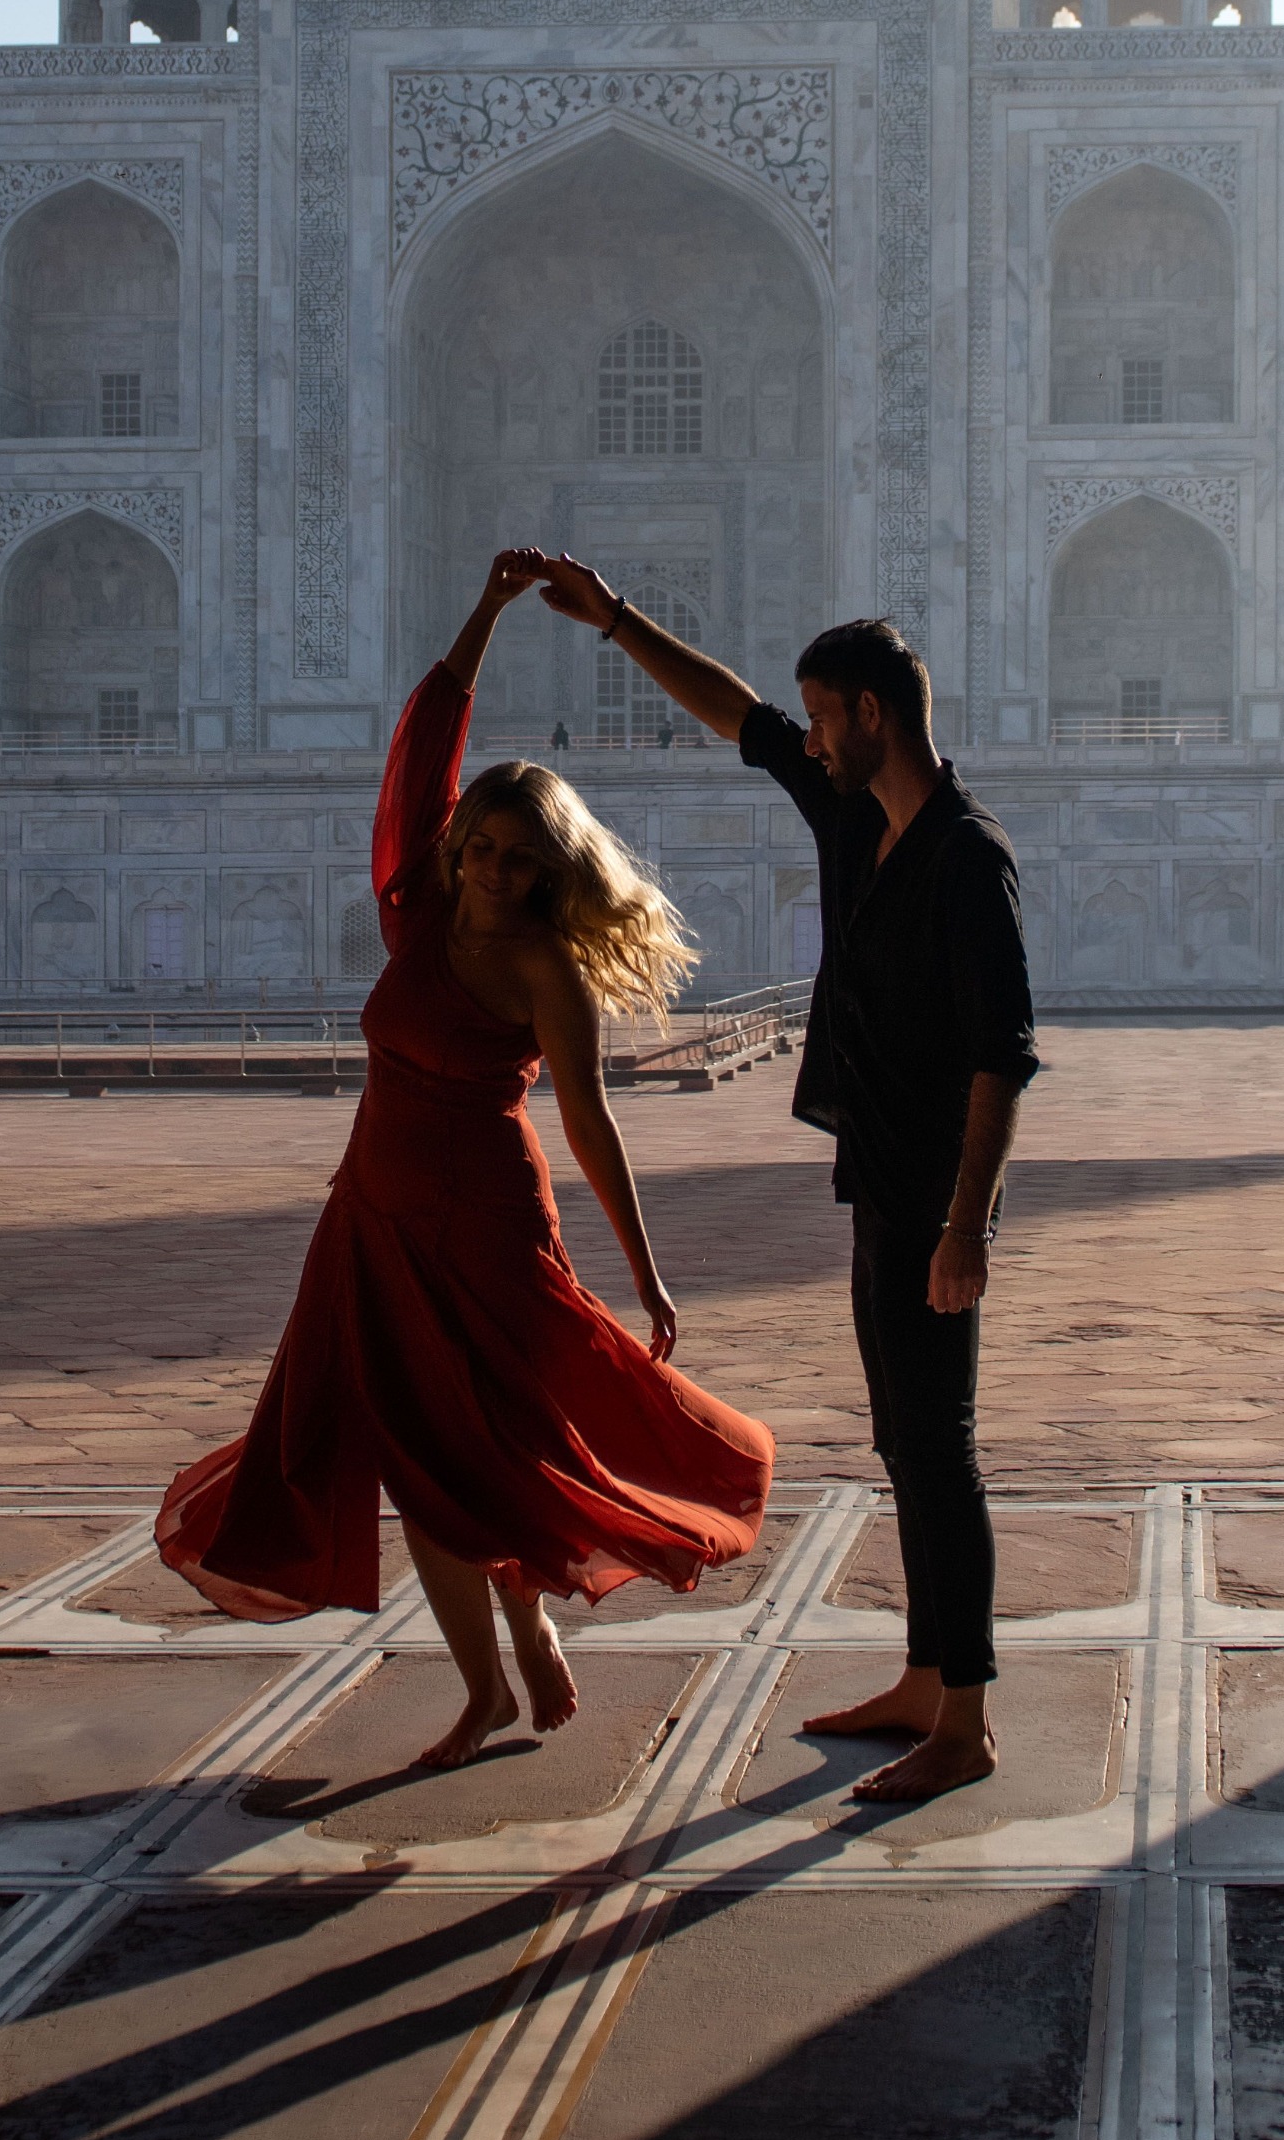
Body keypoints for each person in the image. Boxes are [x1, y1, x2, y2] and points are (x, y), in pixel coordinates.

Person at [155, 550, 774, 1769]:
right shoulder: (417, 914)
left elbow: (590, 1123)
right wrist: (483, 611)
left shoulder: (547, 970)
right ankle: (516, 1648)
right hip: (371, 1218)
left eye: (517, 856)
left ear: (551, 869)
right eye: (480, 846)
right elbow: (422, 756)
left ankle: (501, 1670)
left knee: (455, 1452)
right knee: (423, 1448)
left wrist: (642, 1273)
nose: (492, 867)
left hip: (483, 1225)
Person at [543, 564, 1034, 1799]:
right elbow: (738, 715)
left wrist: (967, 1227)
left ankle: (966, 1723)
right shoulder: (855, 816)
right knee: (907, 1441)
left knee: (943, 1446)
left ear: (872, 712)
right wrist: (614, 621)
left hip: (934, 1191)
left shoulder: (969, 862)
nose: (807, 736)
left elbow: (1001, 1058)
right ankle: (928, 1678)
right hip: (877, 1168)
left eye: (824, 716)